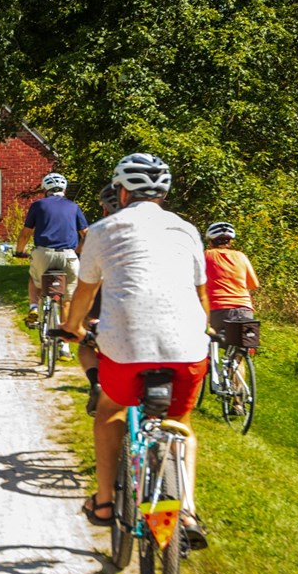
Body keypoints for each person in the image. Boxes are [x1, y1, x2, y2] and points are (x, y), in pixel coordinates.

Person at [63, 153, 211, 549]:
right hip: (188, 348)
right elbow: (201, 293)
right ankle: (187, 510)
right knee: (181, 422)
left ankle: (106, 503)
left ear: (122, 191)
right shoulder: (188, 230)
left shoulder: (103, 229)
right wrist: (205, 327)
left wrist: (74, 326)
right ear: (163, 192)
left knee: (110, 409)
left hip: (127, 349)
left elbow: (86, 290)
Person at [15, 172, 89, 338]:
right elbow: (87, 234)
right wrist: (78, 251)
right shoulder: (73, 206)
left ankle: (34, 308)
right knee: (67, 299)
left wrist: (19, 251)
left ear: (45, 189)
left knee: (35, 279)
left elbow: (26, 234)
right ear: (64, 189)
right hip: (69, 256)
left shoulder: (38, 205)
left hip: (44, 253)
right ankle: (64, 346)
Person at [77, 183, 122, 416]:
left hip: (104, 299)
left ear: (105, 210)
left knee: (85, 342)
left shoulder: (100, 232)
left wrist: (73, 324)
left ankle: (95, 381)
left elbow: (86, 285)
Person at [202, 222, 259, 335]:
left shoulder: (206, 255)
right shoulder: (241, 256)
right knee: (243, 345)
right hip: (244, 310)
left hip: (216, 311)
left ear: (210, 241)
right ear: (230, 241)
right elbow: (254, 284)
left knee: (207, 342)